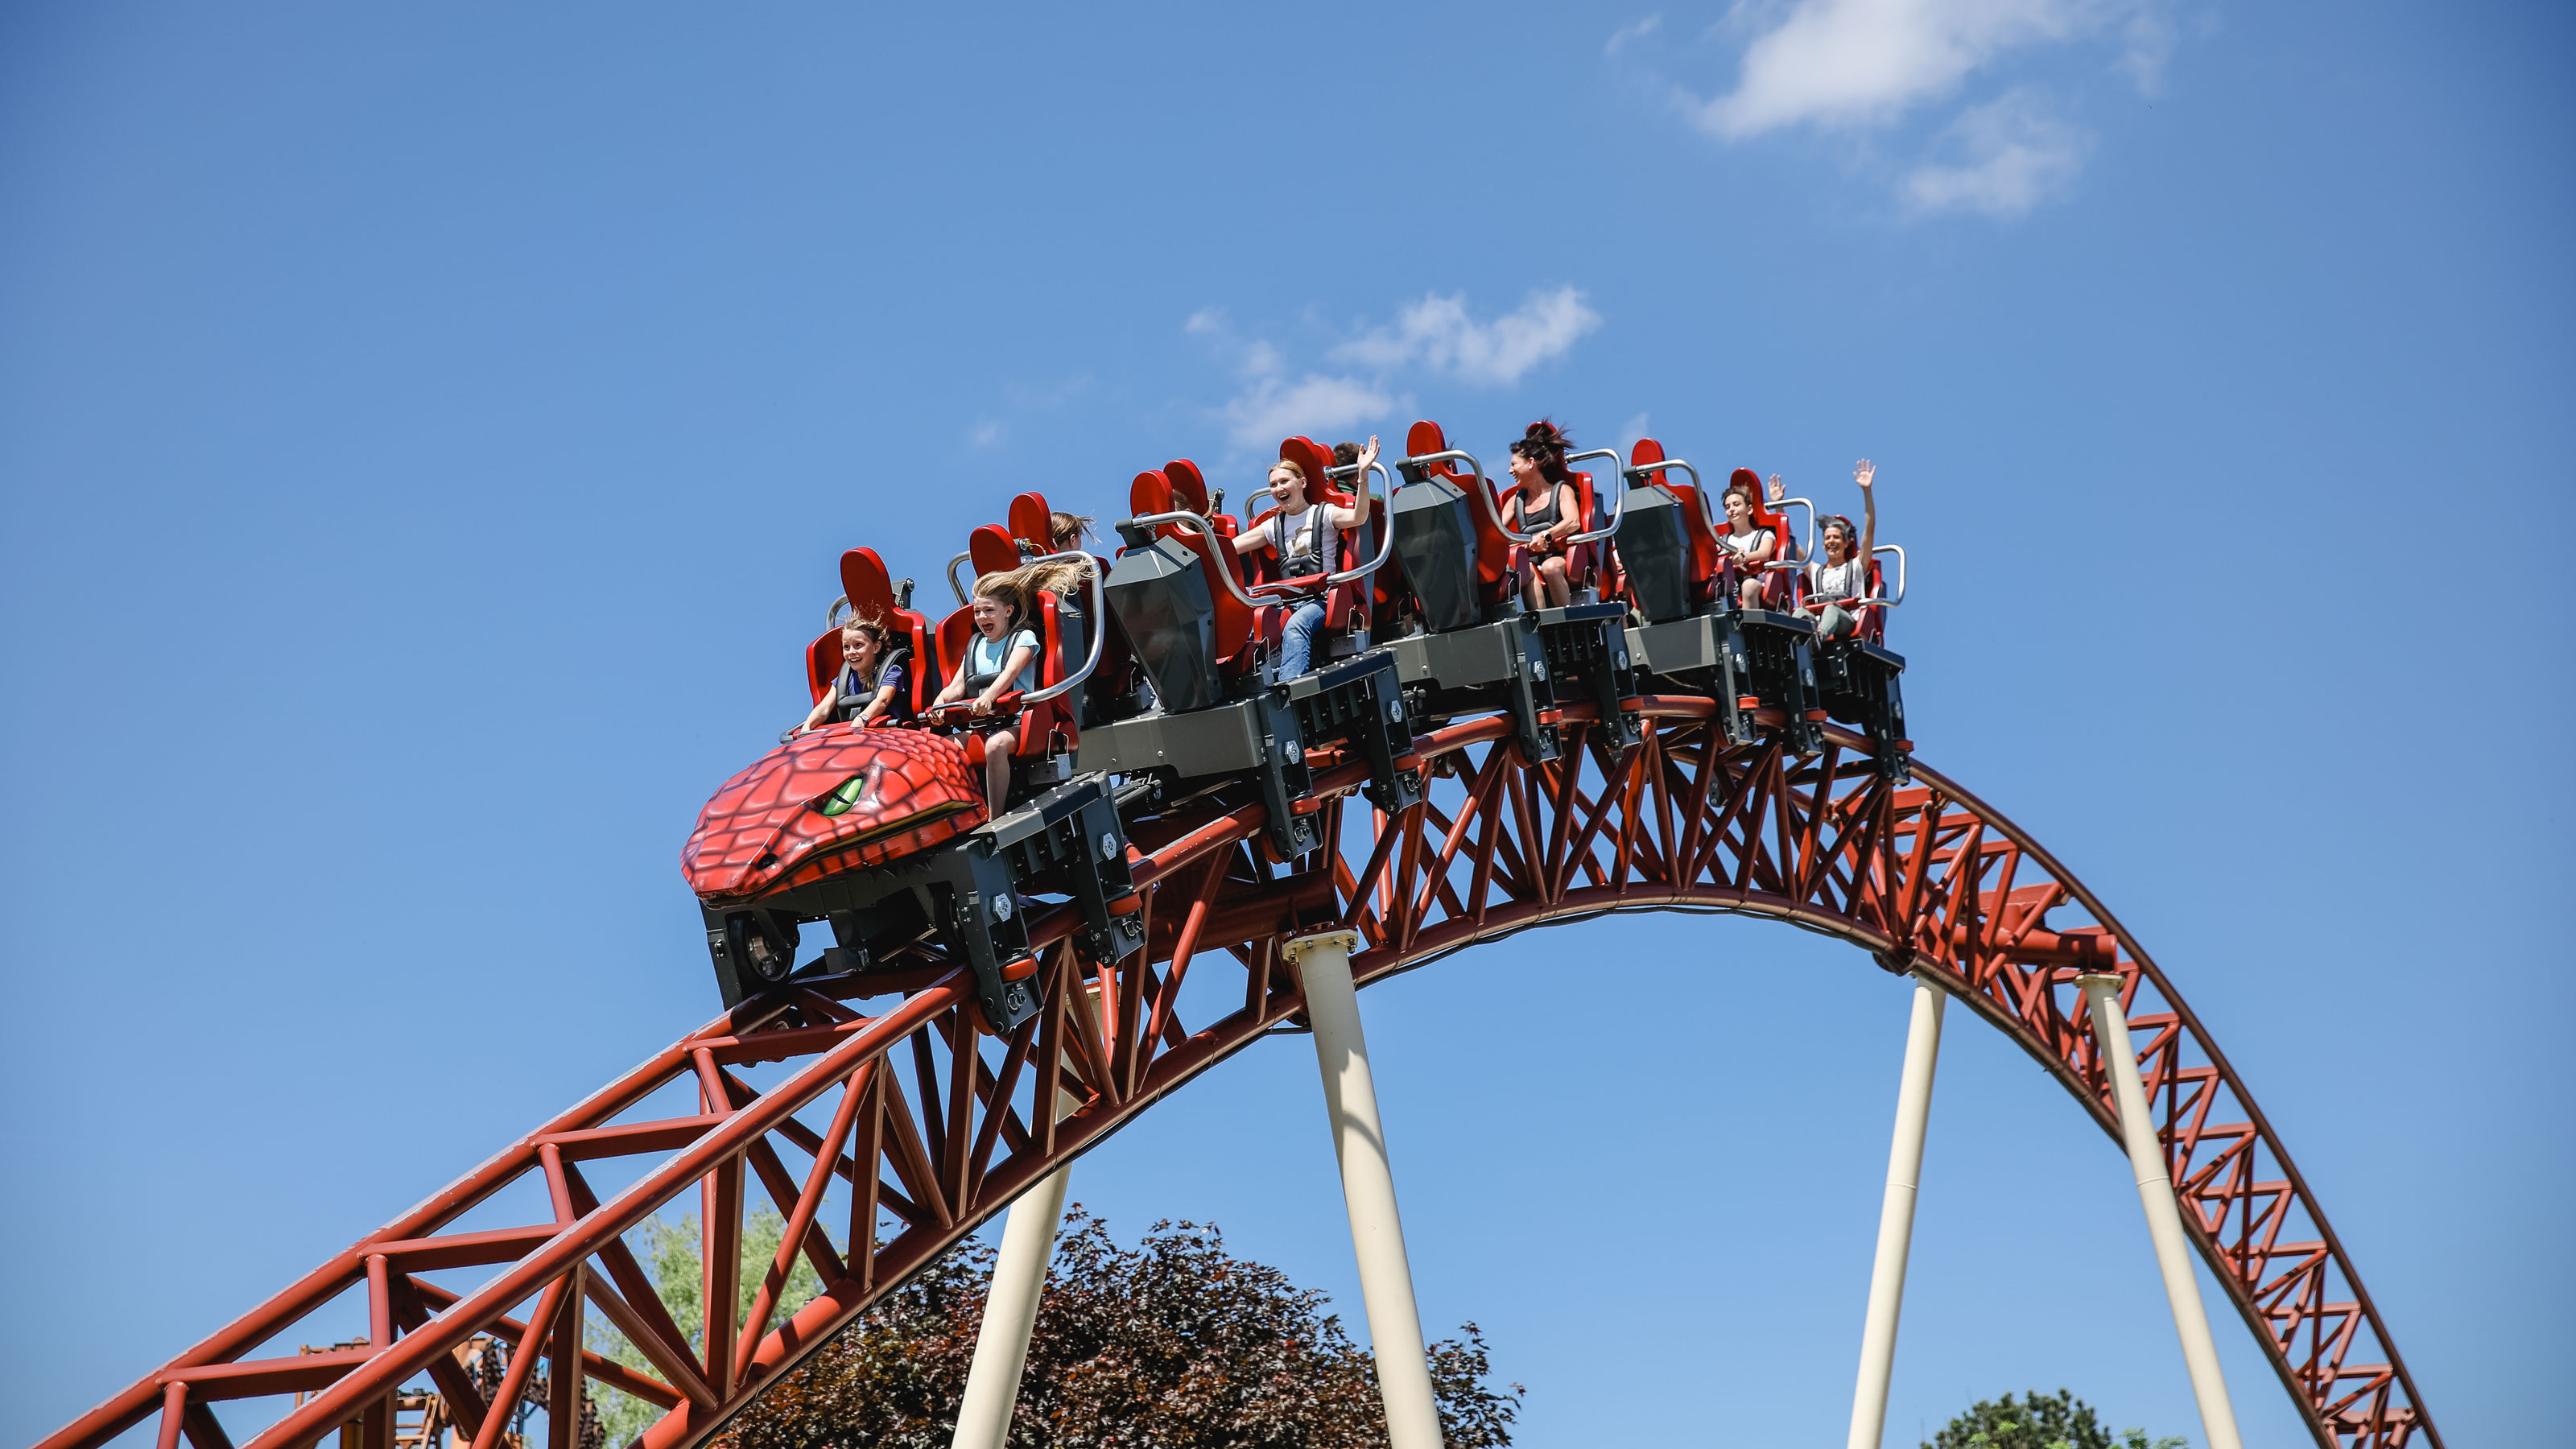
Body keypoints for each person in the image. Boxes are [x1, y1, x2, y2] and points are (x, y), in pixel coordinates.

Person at [1232, 437, 1377, 679]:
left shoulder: (1325, 513)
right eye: (1274, 484)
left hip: (1323, 599)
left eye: (1284, 481)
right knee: (1254, 626)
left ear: (1302, 482)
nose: (1279, 488)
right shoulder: (1273, 526)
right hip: (1287, 601)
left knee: (1296, 625)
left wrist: (1363, 473)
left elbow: (1358, 517)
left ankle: (1291, 689)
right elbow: (1228, 549)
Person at [933, 575, 1042, 815]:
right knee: (940, 748)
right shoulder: (976, 646)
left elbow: (1010, 673)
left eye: (989, 610)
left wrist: (988, 697)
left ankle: (995, 816)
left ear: (1008, 611)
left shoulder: (1023, 638)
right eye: (977, 612)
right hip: (981, 723)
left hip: (1019, 722)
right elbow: (956, 687)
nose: (982, 618)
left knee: (995, 746)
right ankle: (962, 813)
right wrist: (939, 704)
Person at [790, 612, 912, 737]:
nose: (852, 652)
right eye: (846, 647)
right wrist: (807, 728)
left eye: (858, 645)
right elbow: (824, 708)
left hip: (887, 735)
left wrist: (861, 719)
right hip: (853, 739)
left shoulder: (892, 672)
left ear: (876, 647)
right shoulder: (843, 681)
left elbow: (882, 700)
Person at [1504, 420, 1583, 609]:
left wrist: (1546, 536)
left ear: (1531, 463)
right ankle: (1541, 624)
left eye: (1514, 464)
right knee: (1525, 570)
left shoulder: (1561, 490)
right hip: (1529, 560)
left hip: (1559, 555)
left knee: (1550, 568)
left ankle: (1567, 621)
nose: (1510, 470)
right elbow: (1497, 532)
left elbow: (1573, 522)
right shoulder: (1516, 500)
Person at [1806, 459, 1880, 642]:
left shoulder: (1856, 566)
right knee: (1799, 612)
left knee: (1831, 609)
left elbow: (1869, 530)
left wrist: (1867, 492)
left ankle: (1817, 639)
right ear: (1822, 544)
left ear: (1847, 543)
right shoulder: (1816, 571)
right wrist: (1779, 505)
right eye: (1827, 538)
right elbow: (1792, 549)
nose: (1831, 542)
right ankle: (1797, 647)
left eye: (1836, 538)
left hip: (1849, 620)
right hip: (1819, 620)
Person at [1715, 481, 1778, 609]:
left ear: (1749, 509)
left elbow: (1764, 553)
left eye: (1736, 505)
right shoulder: (1723, 541)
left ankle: (1749, 625)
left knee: (1748, 585)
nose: (1731, 510)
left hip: (1757, 584)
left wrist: (1744, 556)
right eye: (1728, 507)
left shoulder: (1764, 535)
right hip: (1730, 586)